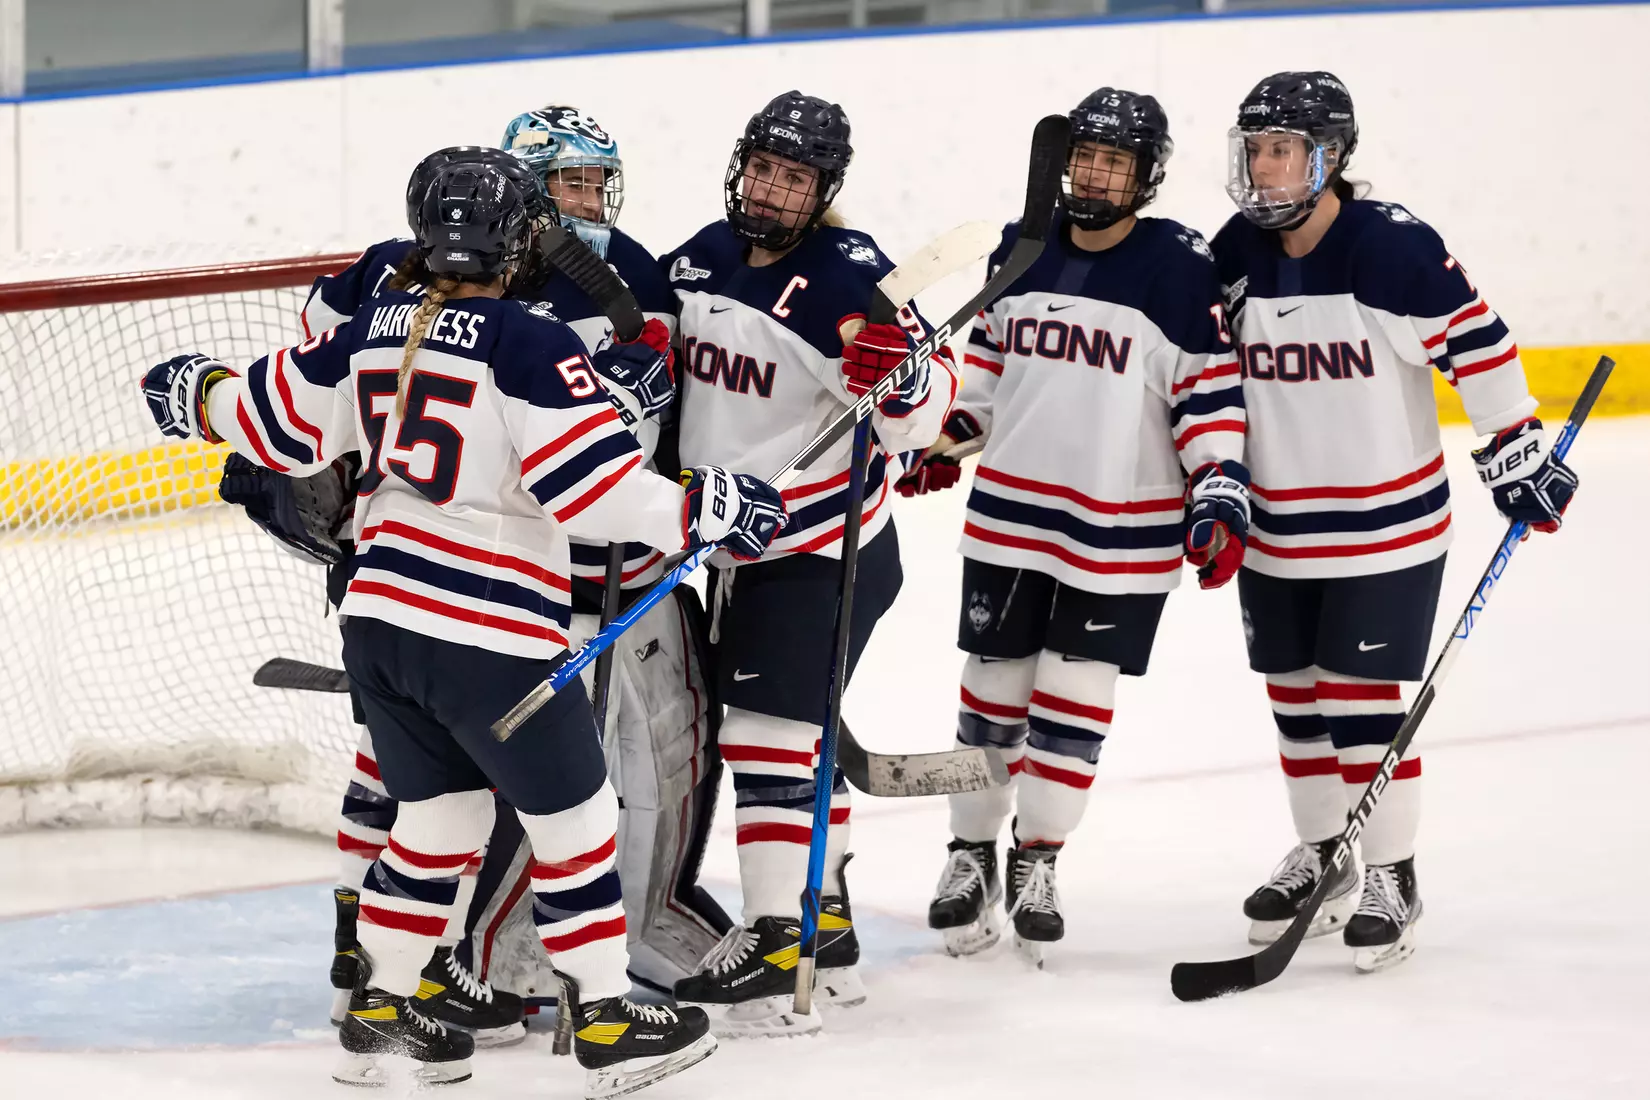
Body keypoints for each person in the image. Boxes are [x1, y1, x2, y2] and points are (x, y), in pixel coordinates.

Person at [143, 158, 791, 1092]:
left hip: (380, 627)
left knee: (437, 824)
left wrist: (195, 391)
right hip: (489, 637)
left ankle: (380, 1012)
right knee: (578, 823)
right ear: (518, 238)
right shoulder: (525, 343)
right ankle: (608, 1020)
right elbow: (592, 488)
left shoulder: (376, 323)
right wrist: (702, 509)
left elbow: (273, 423)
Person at [1212, 71, 1577, 972]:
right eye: (1255, 148)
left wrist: (1515, 445)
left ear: (1330, 158)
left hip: (1387, 527)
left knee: (1360, 709)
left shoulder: (1392, 248)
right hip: (1276, 527)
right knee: (1296, 703)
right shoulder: (1231, 252)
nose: (1265, 167)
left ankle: (1391, 873)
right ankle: (1324, 857)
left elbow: (1480, 344)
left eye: (1283, 149)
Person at [896, 90, 1248, 964]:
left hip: (1120, 530)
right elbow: (985, 377)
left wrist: (1217, 491)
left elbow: (1207, 396)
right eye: (1083, 156)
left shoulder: (1179, 267)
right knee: (992, 696)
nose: (1092, 174)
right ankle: (971, 854)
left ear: (1145, 177)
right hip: (1012, 518)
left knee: (1074, 706)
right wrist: (949, 437)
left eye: (1113, 162)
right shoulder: (1023, 250)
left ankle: (1039, 859)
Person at [659, 90, 959, 1036]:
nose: (773, 191)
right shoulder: (702, 252)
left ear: (824, 190)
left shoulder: (850, 276)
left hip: (821, 551)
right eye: (764, 169)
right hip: (739, 548)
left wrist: (898, 373)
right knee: (786, 734)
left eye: (796, 180)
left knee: (764, 737)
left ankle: (777, 938)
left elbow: (924, 408)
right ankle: (822, 924)